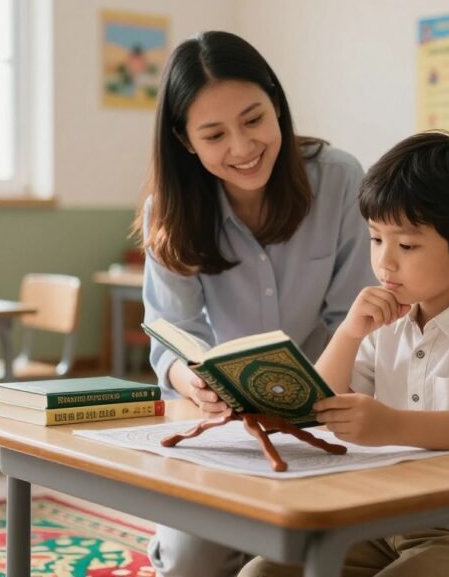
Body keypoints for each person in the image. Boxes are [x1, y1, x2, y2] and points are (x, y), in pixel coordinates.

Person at [240, 131, 449, 577]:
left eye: (406, 246)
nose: (385, 262)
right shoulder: (384, 323)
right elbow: (316, 404)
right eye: (375, 239)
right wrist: (348, 334)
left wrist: (394, 425)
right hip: (383, 522)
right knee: (261, 574)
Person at [137, 31, 375, 577]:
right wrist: (187, 377)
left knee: (300, 553)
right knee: (190, 563)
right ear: (185, 140)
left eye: (253, 120)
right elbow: (169, 329)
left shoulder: (339, 180)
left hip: (330, 416)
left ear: (277, 106)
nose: (242, 149)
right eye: (214, 134)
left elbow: (355, 321)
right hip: (225, 424)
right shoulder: (169, 211)